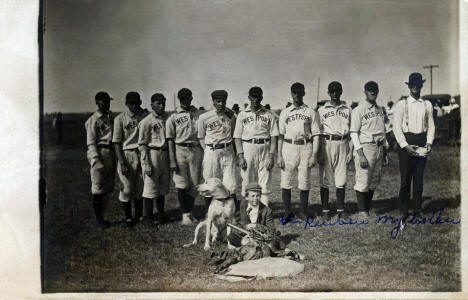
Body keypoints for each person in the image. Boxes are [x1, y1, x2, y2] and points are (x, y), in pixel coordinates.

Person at [392, 73, 435, 227]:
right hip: (406, 142)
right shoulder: (402, 104)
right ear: (409, 86)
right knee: (405, 179)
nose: (415, 87)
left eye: (418, 84)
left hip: (422, 141)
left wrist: (429, 142)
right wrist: (405, 145)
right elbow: (396, 128)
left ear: (421, 85)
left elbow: (431, 126)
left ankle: (417, 210)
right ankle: (403, 210)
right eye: (413, 84)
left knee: (418, 178)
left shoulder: (427, 104)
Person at [277, 82, 320, 220]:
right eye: (294, 92)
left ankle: (303, 212)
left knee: (304, 179)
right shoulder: (285, 112)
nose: (297, 95)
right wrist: (279, 155)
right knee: (286, 180)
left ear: (304, 93)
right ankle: (287, 212)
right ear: (291, 93)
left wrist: (314, 155)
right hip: (289, 146)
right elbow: (280, 135)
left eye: (299, 92)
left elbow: (316, 135)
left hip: (305, 146)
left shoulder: (310, 112)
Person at [233, 86, 279, 206]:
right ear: (249, 97)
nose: (256, 100)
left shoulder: (269, 114)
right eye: (253, 97)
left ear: (261, 97)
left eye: (258, 97)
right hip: (248, 147)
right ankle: (247, 212)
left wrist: (271, 156)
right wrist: (240, 156)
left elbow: (274, 136)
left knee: (265, 180)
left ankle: (263, 212)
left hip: (265, 147)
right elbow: (237, 137)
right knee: (247, 180)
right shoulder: (242, 114)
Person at [350, 81, 388, 220]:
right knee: (363, 178)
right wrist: (360, 154)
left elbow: (383, 131)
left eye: (375, 90)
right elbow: (354, 133)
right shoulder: (359, 109)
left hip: (379, 146)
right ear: (365, 92)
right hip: (366, 146)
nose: (373, 92)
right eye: (370, 90)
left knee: (374, 179)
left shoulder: (379, 109)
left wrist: (385, 151)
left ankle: (367, 206)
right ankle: (361, 211)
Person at [166, 88, 204, 225]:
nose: (185, 101)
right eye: (182, 99)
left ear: (191, 98)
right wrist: (172, 159)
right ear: (179, 100)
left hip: (195, 149)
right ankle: (185, 214)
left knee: (194, 183)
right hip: (180, 149)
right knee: (182, 183)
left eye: (187, 98)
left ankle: (190, 211)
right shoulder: (173, 117)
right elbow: (169, 139)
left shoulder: (198, 114)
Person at [198, 90, 239, 213]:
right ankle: (209, 213)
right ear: (213, 101)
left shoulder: (231, 116)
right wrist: (208, 150)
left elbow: (234, 133)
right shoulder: (204, 117)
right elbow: (201, 137)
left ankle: (231, 213)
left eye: (223, 101)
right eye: (218, 101)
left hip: (228, 149)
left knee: (230, 183)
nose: (221, 104)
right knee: (210, 182)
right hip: (212, 150)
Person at [317, 82, 353, 219]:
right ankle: (325, 210)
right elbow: (318, 132)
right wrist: (319, 151)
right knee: (325, 178)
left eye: (337, 91)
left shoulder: (347, 109)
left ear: (341, 91)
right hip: (327, 143)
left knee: (341, 178)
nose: (335, 93)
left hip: (343, 142)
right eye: (332, 91)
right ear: (328, 92)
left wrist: (350, 150)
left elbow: (352, 132)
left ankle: (340, 209)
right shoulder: (322, 110)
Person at [113, 92, 149, 227]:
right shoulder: (120, 119)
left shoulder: (144, 116)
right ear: (127, 104)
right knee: (127, 188)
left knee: (140, 187)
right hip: (127, 153)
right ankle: (128, 217)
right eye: (131, 103)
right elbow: (116, 143)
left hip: (141, 153)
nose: (135, 106)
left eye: (137, 103)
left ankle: (139, 215)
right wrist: (122, 162)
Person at [85, 91, 116, 229]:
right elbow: (91, 143)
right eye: (105, 102)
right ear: (97, 103)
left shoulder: (110, 117)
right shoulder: (93, 120)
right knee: (98, 189)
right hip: (100, 152)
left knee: (108, 188)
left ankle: (103, 218)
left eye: (109, 101)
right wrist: (96, 160)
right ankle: (99, 221)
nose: (108, 104)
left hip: (111, 153)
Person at [138, 93, 171, 224]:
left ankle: (161, 215)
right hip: (152, 154)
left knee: (162, 187)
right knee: (150, 188)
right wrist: (146, 163)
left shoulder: (167, 118)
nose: (161, 105)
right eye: (158, 103)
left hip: (164, 153)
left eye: (163, 102)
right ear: (152, 105)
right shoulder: (146, 121)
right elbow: (142, 144)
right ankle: (148, 218)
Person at [227, 183, 274, 247]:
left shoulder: (267, 210)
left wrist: (256, 226)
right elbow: (236, 222)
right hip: (245, 236)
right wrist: (244, 229)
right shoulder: (241, 206)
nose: (255, 198)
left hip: (260, 238)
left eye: (257, 196)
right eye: (253, 196)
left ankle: (249, 246)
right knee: (231, 237)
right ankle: (247, 245)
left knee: (269, 242)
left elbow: (271, 230)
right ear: (247, 197)